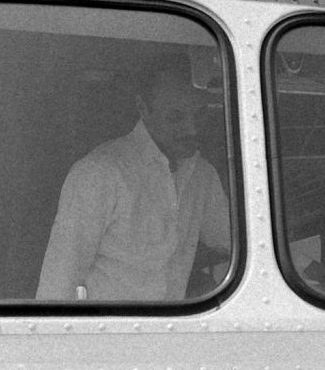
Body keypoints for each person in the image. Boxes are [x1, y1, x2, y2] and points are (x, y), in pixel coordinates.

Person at [36, 67, 229, 300]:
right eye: (176, 117)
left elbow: (230, 240)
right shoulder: (99, 173)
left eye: (200, 115)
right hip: (111, 331)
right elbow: (59, 280)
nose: (192, 129)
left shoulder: (202, 174)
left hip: (176, 326)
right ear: (143, 109)